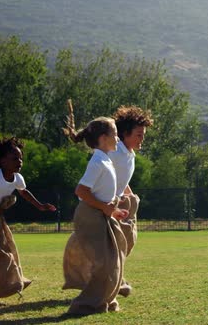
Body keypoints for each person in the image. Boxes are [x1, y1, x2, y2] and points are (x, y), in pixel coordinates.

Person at [0, 137, 56, 298]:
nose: (20, 161)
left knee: (9, 245)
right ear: (2, 161)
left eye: (21, 158)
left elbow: (24, 192)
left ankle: (17, 280)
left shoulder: (18, 178)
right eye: (15, 158)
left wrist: (40, 206)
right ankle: (8, 286)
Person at [62, 117, 129, 316]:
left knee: (114, 260)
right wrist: (105, 208)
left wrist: (113, 211)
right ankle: (85, 305)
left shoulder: (106, 159)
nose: (118, 138)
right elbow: (81, 191)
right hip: (90, 216)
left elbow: (100, 194)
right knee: (104, 263)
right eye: (115, 134)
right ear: (103, 138)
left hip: (101, 214)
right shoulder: (98, 161)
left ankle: (106, 301)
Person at [109, 105, 153, 297]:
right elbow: (103, 178)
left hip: (119, 205)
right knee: (113, 245)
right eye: (138, 134)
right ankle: (113, 282)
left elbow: (121, 180)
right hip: (105, 206)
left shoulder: (129, 153)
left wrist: (131, 197)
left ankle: (115, 278)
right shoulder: (114, 151)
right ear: (125, 134)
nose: (142, 139)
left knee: (127, 241)